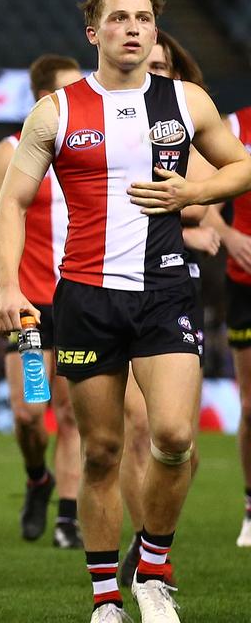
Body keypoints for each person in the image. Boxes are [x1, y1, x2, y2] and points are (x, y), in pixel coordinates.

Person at [0, 0, 251, 623]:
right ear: (94, 31)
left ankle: (154, 570)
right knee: (78, 436)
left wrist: (193, 196)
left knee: (170, 436)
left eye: (143, 18)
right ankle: (103, 591)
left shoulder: (185, 102)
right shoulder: (54, 113)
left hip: (164, 292)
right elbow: (11, 201)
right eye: (118, 18)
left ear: (154, 29)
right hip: (73, 302)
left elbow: (240, 164)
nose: (132, 28)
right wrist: (2, 288)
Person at [118, 30, 217, 584]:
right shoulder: (112, 120)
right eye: (148, 63)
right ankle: (147, 548)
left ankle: (155, 534)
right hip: (114, 283)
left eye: (165, 65)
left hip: (176, 285)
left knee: (176, 438)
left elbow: (214, 189)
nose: (155, 72)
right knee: (136, 427)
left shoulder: (188, 123)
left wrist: (195, 215)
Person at [0, 54, 85, 548]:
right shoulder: (8, 153)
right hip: (28, 305)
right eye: (68, 90)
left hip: (77, 300)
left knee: (70, 413)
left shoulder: (90, 147)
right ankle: (36, 478)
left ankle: (68, 517)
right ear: (44, 96)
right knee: (29, 412)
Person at [217, 99, 251, 548]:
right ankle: (250, 505)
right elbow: (198, 192)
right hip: (245, 283)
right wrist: (227, 235)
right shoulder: (233, 125)